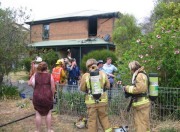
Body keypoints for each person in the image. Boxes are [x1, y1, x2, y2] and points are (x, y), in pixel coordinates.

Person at [80, 58, 112, 132]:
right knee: (104, 118)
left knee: (92, 121)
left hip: (91, 102)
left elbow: (82, 88)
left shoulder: (85, 75)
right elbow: (108, 86)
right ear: (96, 64)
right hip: (102, 101)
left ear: (87, 66)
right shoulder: (103, 73)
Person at [123, 61, 150, 132]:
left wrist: (127, 88)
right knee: (145, 123)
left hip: (141, 103)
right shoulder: (143, 74)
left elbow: (140, 89)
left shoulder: (139, 75)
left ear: (132, 69)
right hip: (144, 102)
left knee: (140, 124)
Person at [28, 62, 55, 132]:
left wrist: (33, 75)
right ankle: (49, 130)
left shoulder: (36, 75)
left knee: (38, 113)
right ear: (46, 68)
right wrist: (52, 95)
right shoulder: (50, 76)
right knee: (48, 113)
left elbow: (29, 83)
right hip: (47, 96)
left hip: (37, 96)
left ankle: (37, 130)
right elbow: (53, 87)